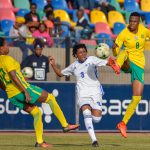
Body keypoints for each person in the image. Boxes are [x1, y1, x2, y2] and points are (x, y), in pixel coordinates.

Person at [0, 37, 80, 148]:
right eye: (5, 45)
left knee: (37, 112)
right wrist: (25, 92)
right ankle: (65, 125)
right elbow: (13, 76)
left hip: (12, 95)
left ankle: (40, 142)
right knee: (50, 98)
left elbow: (0, 82)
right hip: (23, 90)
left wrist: (9, 91)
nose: (7, 47)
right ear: (1, 48)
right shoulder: (6, 59)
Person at [49, 44, 119, 147]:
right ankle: (94, 140)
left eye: (84, 51)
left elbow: (106, 62)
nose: (83, 54)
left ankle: (91, 120)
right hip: (82, 93)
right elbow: (60, 74)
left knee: (96, 119)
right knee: (86, 112)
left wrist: (113, 63)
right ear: (75, 55)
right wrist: (53, 64)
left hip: (95, 91)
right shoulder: (74, 66)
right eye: (80, 52)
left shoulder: (92, 59)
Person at [111, 12, 150, 138]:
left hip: (139, 67)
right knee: (124, 51)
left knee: (137, 98)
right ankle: (116, 65)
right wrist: (114, 48)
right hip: (127, 62)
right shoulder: (123, 33)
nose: (132, 23)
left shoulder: (144, 31)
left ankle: (123, 123)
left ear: (138, 22)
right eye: (130, 21)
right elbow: (116, 50)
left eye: (134, 21)